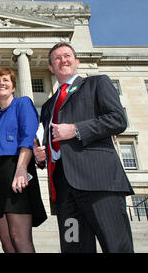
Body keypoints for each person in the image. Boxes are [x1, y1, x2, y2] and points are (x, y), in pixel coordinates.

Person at [33, 42, 134, 253]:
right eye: (57, 58)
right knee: (74, 247)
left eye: (67, 56)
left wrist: (77, 129)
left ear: (77, 61)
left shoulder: (97, 83)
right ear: (51, 67)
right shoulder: (49, 105)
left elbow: (118, 119)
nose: (63, 60)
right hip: (65, 191)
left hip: (99, 183)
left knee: (116, 246)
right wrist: (41, 155)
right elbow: (49, 140)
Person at [0, 68, 47, 253]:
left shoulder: (23, 103)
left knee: (19, 238)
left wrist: (22, 168)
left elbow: (28, 135)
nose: (2, 83)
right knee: (6, 242)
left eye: (6, 80)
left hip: (15, 173)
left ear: (14, 86)